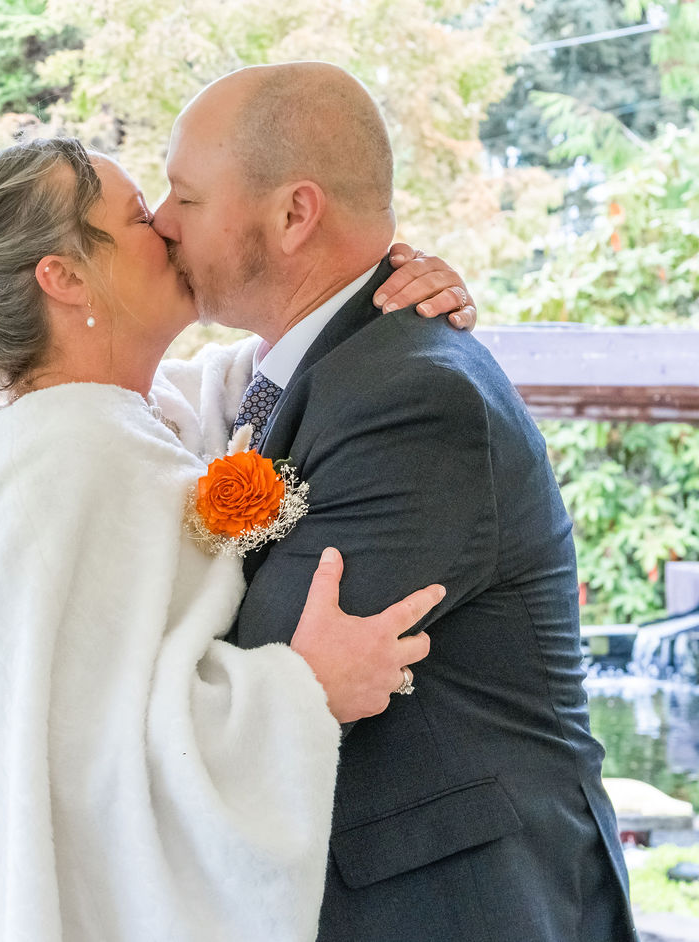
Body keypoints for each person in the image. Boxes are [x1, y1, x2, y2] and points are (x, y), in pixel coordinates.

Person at [0, 137, 474, 942]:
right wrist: (305, 689)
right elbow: (91, 767)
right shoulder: (77, 457)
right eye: (138, 215)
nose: (170, 226)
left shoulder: (92, 424)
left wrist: (378, 292)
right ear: (62, 278)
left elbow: (269, 369)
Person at [152, 61, 637, 942]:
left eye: (184, 196)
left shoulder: (414, 398)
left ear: (295, 214)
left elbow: (262, 659)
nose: (159, 221)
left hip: (458, 907)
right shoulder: (318, 370)